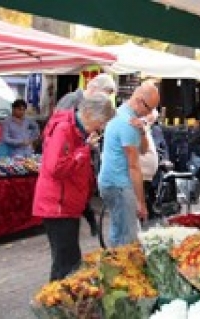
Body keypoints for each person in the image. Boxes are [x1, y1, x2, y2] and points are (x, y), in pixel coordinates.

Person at [33, 94, 114, 281]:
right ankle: (55, 304)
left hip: (67, 204)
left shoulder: (76, 130)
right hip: (58, 205)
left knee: (68, 260)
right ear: (89, 114)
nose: (100, 128)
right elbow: (55, 168)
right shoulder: (64, 129)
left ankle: (60, 303)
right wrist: (84, 150)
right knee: (66, 263)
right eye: (101, 122)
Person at [98, 81, 159, 247]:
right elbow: (134, 166)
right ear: (139, 101)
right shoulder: (127, 122)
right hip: (120, 185)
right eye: (149, 108)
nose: (150, 113)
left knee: (119, 231)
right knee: (128, 241)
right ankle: (120, 269)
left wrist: (143, 130)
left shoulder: (126, 117)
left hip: (112, 182)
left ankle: (113, 265)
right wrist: (141, 202)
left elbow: (144, 150)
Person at [56, 73, 116, 236]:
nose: (107, 97)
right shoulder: (71, 101)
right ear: (94, 88)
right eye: (107, 92)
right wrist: (84, 147)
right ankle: (90, 222)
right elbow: (61, 139)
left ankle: (91, 223)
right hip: (72, 165)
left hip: (81, 160)